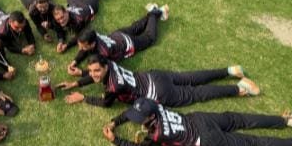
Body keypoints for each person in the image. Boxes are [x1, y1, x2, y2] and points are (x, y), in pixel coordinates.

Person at [103, 98, 292, 146]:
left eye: (139, 117)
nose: (135, 119)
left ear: (151, 117)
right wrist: (116, 121)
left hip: (208, 140)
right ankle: (286, 121)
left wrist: (115, 140)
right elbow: (132, 111)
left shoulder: (156, 134)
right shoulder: (156, 105)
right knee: (240, 119)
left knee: (251, 142)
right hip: (202, 119)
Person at [59, 54, 260, 108]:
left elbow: (105, 102)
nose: (93, 74)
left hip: (159, 93)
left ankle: (239, 88)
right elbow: (95, 76)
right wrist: (77, 82)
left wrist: (83, 97)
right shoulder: (109, 63)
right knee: (191, 76)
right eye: (90, 71)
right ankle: (229, 70)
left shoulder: (113, 86)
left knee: (197, 93)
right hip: (155, 76)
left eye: (96, 70)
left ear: (104, 68)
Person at [8, 0, 103, 50]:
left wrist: (62, 41)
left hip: (85, 5)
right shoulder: (32, 10)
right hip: (77, 5)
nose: (43, 10)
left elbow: (62, 29)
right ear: (36, 4)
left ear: (49, 3)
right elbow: (38, 24)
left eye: (45, 7)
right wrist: (44, 33)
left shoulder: (54, 9)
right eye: (40, 8)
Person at [67, 5, 169, 74]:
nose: (80, 48)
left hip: (128, 43)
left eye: (83, 46)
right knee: (136, 27)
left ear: (92, 44)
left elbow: (102, 70)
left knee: (149, 37)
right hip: (117, 35)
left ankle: (155, 13)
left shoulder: (103, 53)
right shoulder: (91, 34)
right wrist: (75, 62)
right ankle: (153, 11)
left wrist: (81, 72)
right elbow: (84, 49)